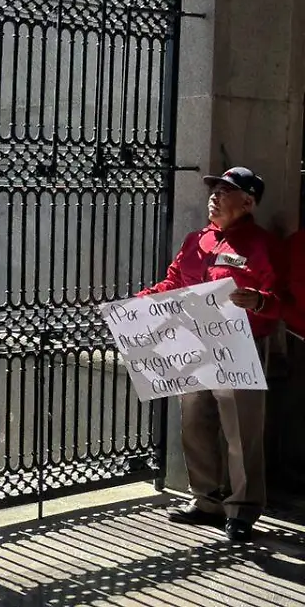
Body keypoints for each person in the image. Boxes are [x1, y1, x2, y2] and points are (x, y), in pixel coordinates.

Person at [139, 167, 280, 542]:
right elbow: (173, 281)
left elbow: (281, 299)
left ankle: (243, 508)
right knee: (194, 424)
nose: (214, 196)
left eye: (225, 191)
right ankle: (207, 502)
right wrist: (140, 303)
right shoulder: (196, 240)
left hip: (240, 347)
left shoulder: (262, 245)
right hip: (192, 344)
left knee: (240, 432)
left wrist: (260, 301)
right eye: (214, 189)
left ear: (247, 202)